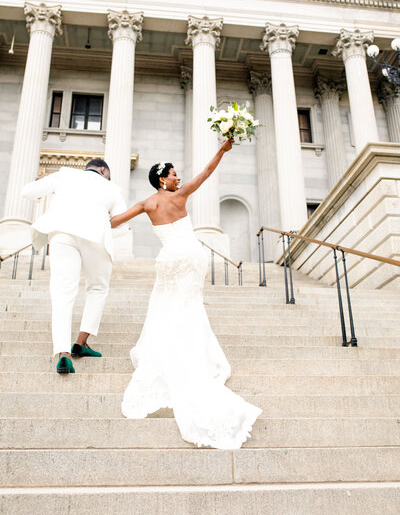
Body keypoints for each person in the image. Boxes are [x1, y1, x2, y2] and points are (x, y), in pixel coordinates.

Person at [111, 139, 261, 449]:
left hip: (168, 258)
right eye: (175, 174)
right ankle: (189, 355)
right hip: (191, 255)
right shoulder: (180, 195)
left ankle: (167, 350)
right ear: (163, 178)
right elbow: (206, 172)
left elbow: (114, 221)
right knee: (189, 307)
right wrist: (221, 149)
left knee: (165, 307)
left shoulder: (145, 204)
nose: (179, 178)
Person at [22, 159, 127, 374]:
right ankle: (81, 342)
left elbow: (27, 192)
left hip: (61, 234)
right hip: (95, 237)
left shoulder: (63, 174)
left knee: (62, 293)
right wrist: (103, 228)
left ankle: (63, 354)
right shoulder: (113, 188)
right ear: (104, 170)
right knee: (97, 288)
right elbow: (122, 226)